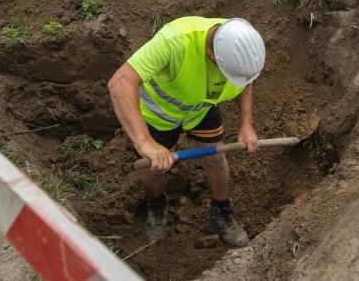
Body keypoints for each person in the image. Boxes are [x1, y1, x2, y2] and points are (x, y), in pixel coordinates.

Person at [107, 16, 266, 247]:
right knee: (155, 170)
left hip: (200, 108)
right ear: (212, 56)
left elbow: (246, 79)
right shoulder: (175, 41)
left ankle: (220, 213)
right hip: (159, 114)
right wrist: (144, 142)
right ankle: (157, 205)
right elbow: (120, 82)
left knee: (217, 159)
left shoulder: (241, 42)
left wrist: (246, 124)